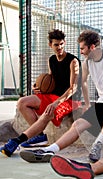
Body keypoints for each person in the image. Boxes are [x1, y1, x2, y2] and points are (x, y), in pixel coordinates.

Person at [19, 30, 103, 163]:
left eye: (82, 48)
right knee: (78, 124)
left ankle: (98, 144)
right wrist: (88, 103)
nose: (81, 52)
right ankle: (50, 150)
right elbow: (83, 82)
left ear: (92, 47)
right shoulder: (87, 63)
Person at [0, 29, 82, 157]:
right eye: (56, 45)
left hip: (70, 99)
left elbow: (73, 88)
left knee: (47, 113)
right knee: (22, 102)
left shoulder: (73, 61)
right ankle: (40, 136)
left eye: (61, 44)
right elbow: (51, 80)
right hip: (52, 96)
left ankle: (18, 141)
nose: (59, 47)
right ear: (50, 45)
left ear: (64, 43)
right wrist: (39, 87)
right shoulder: (51, 60)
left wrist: (56, 103)